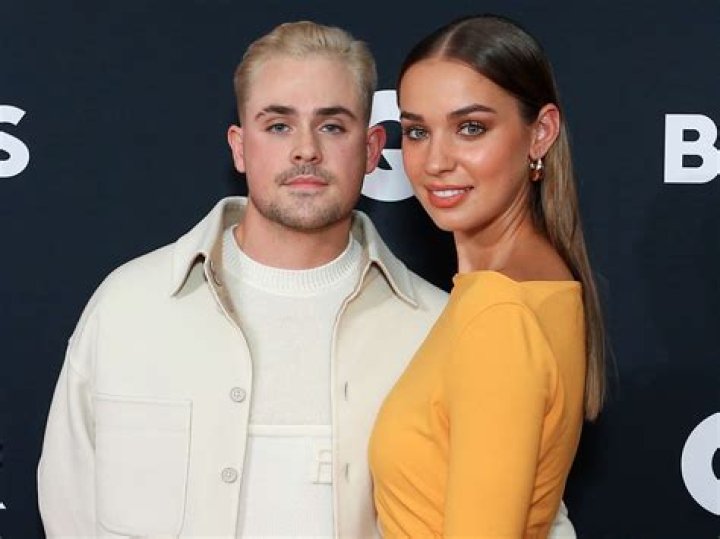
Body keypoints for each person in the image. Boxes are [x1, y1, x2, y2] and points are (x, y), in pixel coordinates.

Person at [37, 20, 576, 538]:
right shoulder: (128, 308)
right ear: (239, 146)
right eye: (278, 125)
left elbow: (534, 516)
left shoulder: (441, 329)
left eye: (332, 126)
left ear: (372, 150)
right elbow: (68, 506)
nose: (305, 150)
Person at [370, 14, 605, 538]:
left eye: (470, 128)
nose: (436, 161)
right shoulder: (538, 285)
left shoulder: (498, 312)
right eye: (417, 132)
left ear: (540, 132)